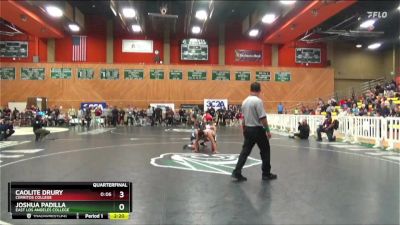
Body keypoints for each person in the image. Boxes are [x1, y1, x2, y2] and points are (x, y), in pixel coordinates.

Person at [232, 82, 277, 182]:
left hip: (248, 129)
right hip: (257, 130)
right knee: (265, 151)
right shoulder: (258, 101)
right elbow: (263, 118)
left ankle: (237, 172)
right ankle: (266, 174)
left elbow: (243, 118)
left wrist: (244, 129)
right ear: (259, 91)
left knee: (244, 152)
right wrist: (268, 131)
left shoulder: (245, 101)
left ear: (250, 90)